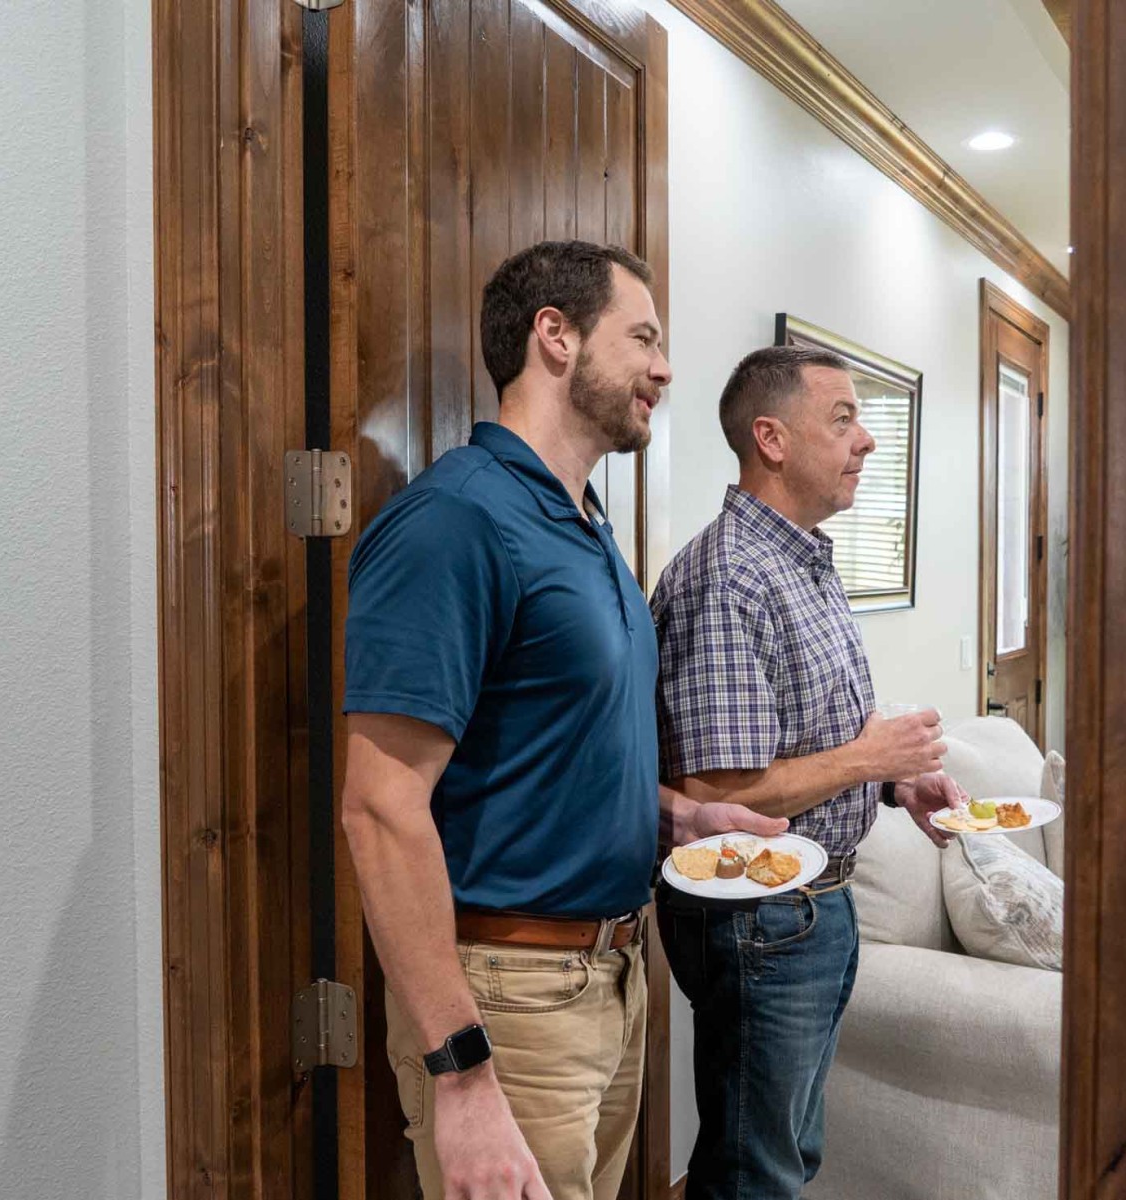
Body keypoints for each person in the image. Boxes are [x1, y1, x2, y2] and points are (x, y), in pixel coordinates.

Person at [340, 240, 786, 1200]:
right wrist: (461, 1072)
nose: (665, 368)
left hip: (613, 978)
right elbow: (378, 807)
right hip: (509, 995)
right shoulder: (456, 520)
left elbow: (546, 751)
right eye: (644, 339)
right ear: (556, 335)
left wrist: (680, 818)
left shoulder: (583, 522)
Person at [651, 344, 969, 1199]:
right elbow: (720, 798)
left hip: (810, 907)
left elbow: (805, 734)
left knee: (786, 1154)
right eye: (844, 418)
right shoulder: (729, 576)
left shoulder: (801, 562)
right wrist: (874, 757)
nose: (867, 439)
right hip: (763, 918)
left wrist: (894, 782)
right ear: (772, 439)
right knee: (757, 1174)